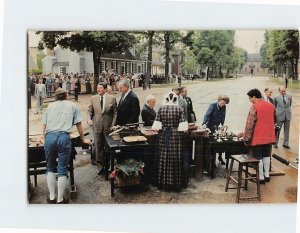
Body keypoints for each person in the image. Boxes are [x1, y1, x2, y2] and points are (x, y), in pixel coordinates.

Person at [42, 88, 91, 204]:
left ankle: (52, 197)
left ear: (56, 97)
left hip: (50, 136)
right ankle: (60, 199)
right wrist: (83, 139)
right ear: (66, 95)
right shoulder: (72, 105)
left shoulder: (50, 106)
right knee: (62, 169)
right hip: (64, 137)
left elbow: (44, 124)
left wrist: (44, 138)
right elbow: (79, 123)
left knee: (49, 167)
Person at [152, 92, 188, 191]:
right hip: (175, 136)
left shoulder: (161, 109)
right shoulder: (179, 109)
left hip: (163, 135)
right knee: (174, 157)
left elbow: (156, 126)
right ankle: (174, 183)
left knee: (163, 157)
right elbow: (183, 127)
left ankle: (162, 182)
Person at [242, 88, 276, 184]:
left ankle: (261, 177)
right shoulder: (271, 105)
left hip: (258, 136)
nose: (250, 100)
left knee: (258, 157)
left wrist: (246, 138)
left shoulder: (254, 107)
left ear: (254, 97)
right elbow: (275, 119)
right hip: (269, 136)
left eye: (250, 98)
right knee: (266, 155)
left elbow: (250, 125)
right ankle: (267, 176)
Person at [88, 82, 117, 174]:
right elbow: (89, 111)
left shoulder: (112, 98)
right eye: (97, 88)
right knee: (98, 146)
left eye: (100, 88)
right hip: (97, 126)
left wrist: (113, 124)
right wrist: (89, 119)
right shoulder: (93, 98)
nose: (98, 90)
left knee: (108, 146)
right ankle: (100, 166)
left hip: (108, 127)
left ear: (105, 89)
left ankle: (109, 165)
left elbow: (115, 113)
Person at [202, 95, 230, 164]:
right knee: (212, 145)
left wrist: (222, 125)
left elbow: (223, 116)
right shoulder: (213, 106)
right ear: (218, 101)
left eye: (224, 104)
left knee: (220, 143)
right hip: (210, 127)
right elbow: (207, 115)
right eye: (221, 103)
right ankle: (212, 161)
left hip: (218, 127)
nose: (222, 105)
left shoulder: (224, 107)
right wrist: (204, 123)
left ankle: (220, 157)